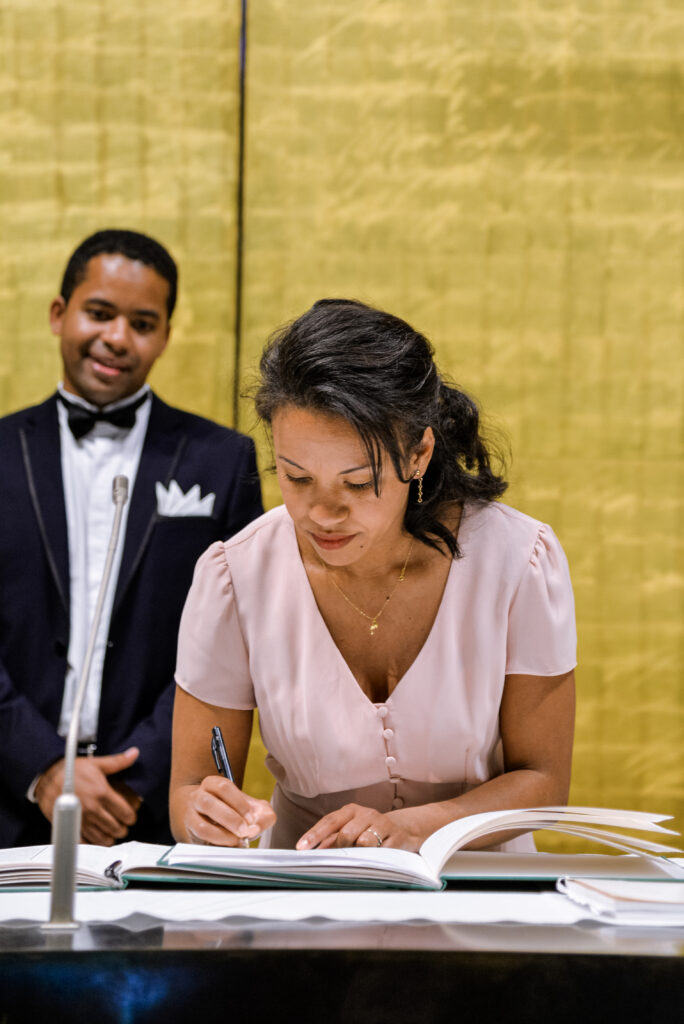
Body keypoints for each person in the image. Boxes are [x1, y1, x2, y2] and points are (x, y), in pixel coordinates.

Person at [170, 299, 576, 852]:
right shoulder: (236, 576)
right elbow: (189, 791)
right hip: (306, 899)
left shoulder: (517, 560)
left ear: (420, 453)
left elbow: (545, 782)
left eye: (358, 483)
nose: (322, 513)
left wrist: (416, 828)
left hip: (478, 893)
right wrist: (202, 814)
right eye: (296, 478)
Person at [0, 228, 263, 848]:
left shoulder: (221, 461)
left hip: (152, 812)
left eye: (143, 322)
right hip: (7, 799)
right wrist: (43, 767)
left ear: (166, 335)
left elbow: (236, 638)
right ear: (59, 314)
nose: (117, 337)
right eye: (99, 313)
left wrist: (134, 778)